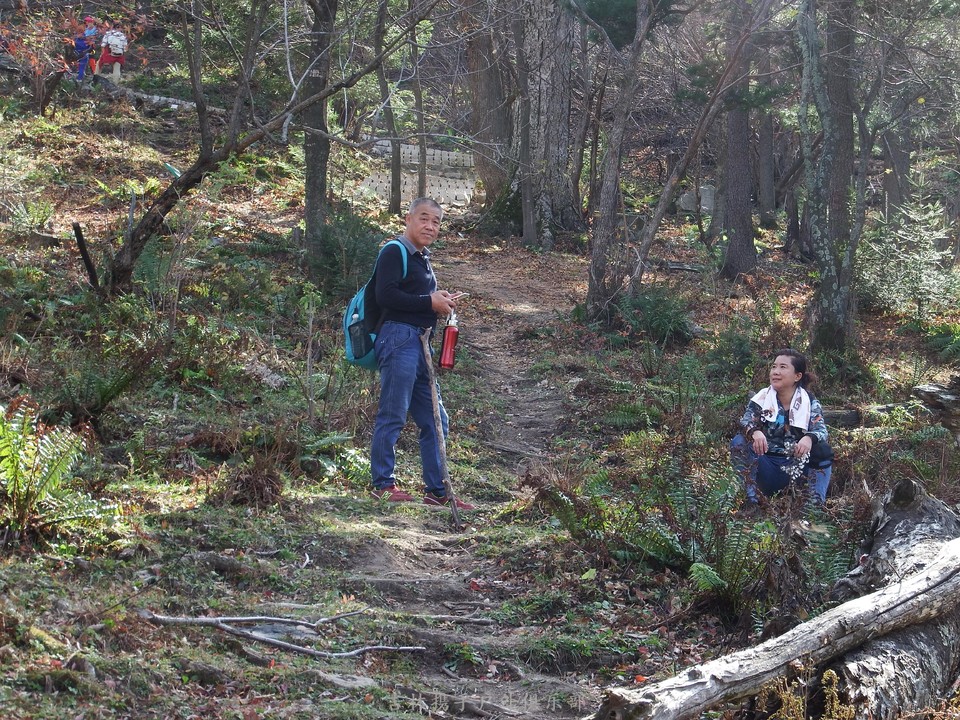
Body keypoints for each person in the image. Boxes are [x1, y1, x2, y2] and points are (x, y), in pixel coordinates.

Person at [369, 198, 474, 510]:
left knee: (436, 418)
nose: (430, 226)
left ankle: (437, 491)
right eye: (424, 219)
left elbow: (414, 296)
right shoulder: (394, 251)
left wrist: (438, 299)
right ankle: (383, 485)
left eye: (436, 222)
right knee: (393, 412)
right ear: (408, 219)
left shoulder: (422, 258)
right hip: (398, 339)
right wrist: (429, 302)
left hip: (420, 342)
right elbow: (385, 295)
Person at [730, 349, 834, 506]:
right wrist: (754, 431)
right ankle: (750, 500)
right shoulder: (762, 398)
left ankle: (815, 506)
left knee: (822, 449)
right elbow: (746, 421)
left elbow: (821, 430)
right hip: (766, 469)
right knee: (739, 442)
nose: (776, 372)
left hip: (797, 470)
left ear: (797, 376)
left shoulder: (809, 401)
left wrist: (809, 438)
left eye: (783, 367)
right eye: (774, 367)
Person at [98, 19, 128, 83]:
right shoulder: (123, 36)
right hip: (119, 55)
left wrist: (103, 54)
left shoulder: (108, 33)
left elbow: (103, 45)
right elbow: (125, 48)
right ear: (119, 27)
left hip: (108, 53)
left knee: (99, 64)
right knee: (117, 69)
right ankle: (115, 83)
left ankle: (96, 78)